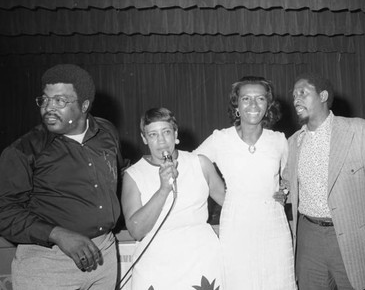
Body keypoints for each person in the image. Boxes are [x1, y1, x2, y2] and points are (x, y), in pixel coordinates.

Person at [0, 64, 122, 289]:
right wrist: (56, 234)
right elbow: (5, 213)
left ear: (84, 105)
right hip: (47, 263)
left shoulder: (108, 133)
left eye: (60, 101)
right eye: (45, 100)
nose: (49, 108)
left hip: (104, 255)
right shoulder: (22, 151)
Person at [282, 72, 365, 290]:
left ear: (323, 95)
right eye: (293, 95)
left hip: (353, 241)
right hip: (309, 241)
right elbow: (285, 187)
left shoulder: (360, 130)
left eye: (303, 93)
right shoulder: (293, 143)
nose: (295, 99)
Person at [195, 76, 297, 290]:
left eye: (260, 98)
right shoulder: (220, 139)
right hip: (236, 224)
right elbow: (192, 165)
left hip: (273, 225)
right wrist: (221, 194)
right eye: (246, 99)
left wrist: (285, 190)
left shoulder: (279, 140)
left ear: (268, 105)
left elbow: (290, 177)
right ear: (237, 105)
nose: (253, 105)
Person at [121, 107, 226, 289]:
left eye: (166, 132)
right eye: (153, 134)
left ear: (176, 134)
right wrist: (163, 189)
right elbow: (136, 231)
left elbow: (231, 203)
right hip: (155, 265)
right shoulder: (134, 174)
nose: (161, 141)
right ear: (144, 139)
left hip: (201, 260)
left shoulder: (199, 163)